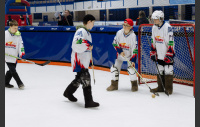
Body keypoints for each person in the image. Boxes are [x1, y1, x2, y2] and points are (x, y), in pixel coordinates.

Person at [63, 14, 99, 108]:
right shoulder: (81, 31)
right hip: (79, 59)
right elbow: (77, 42)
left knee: (80, 78)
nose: (93, 25)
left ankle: (68, 92)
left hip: (84, 59)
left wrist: (90, 61)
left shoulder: (87, 33)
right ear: (89, 22)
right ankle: (88, 101)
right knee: (86, 77)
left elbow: (88, 49)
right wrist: (88, 44)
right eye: (93, 22)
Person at [106, 19, 138, 92]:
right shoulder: (119, 33)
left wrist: (133, 60)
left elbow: (134, 49)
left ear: (131, 27)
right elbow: (114, 43)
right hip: (120, 56)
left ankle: (134, 85)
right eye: (124, 25)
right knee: (114, 69)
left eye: (127, 26)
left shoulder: (133, 36)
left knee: (131, 70)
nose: (124, 27)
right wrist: (120, 51)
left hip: (129, 56)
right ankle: (114, 85)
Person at [150, 10, 175, 95]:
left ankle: (168, 88)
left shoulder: (168, 27)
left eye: (155, 19)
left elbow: (171, 42)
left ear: (161, 19)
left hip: (167, 53)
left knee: (168, 70)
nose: (154, 20)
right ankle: (160, 87)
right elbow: (153, 40)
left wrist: (170, 53)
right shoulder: (154, 27)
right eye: (153, 19)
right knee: (159, 70)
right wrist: (153, 51)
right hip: (159, 53)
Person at [5, 20, 25, 89]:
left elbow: (20, 46)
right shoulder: (5, 34)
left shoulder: (18, 35)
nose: (16, 30)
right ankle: (20, 83)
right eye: (14, 28)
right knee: (13, 70)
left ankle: (5, 82)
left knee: (11, 70)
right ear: (10, 27)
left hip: (14, 56)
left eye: (17, 28)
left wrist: (22, 55)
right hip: (6, 56)